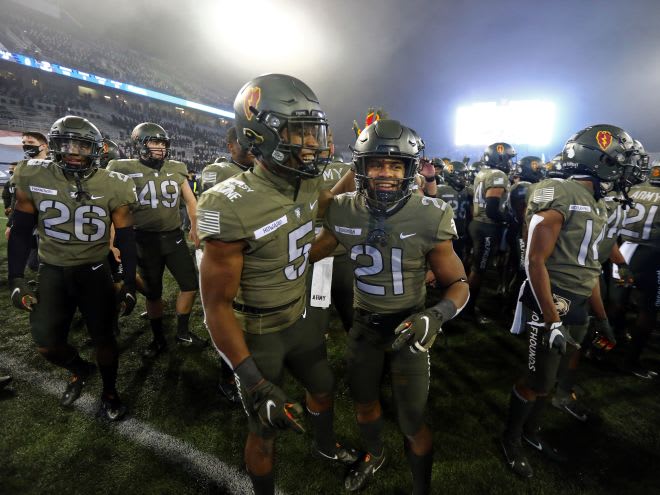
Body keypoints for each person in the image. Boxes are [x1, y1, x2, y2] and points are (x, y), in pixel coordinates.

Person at [197, 74, 357, 495]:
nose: (312, 144)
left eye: (313, 132)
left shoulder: (304, 180)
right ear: (259, 134)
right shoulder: (226, 203)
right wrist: (253, 380)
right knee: (264, 427)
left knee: (323, 388)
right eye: (298, 132)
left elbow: (318, 206)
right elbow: (214, 306)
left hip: (300, 316)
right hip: (257, 333)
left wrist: (361, 169)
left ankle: (324, 447)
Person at [310, 120, 469, 494]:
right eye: (376, 164)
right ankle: (375, 454)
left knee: (412, 421)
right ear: (360, 168)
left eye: (395, 165)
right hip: (363, 328)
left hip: (409, 330)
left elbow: (458, 284)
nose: (385, 173)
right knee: (364, 404)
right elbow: (306, 254)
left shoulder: (431, 213)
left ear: (409, 170)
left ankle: (421, 487)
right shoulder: (341, 209)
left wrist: (435, 314)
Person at [502, 124, 635, 478]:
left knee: (557, 377)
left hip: (575, 303)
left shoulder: (597, 205)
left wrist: (601, 316)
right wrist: (551, 319)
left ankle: (532, 433)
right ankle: (511, 440)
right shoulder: (557, 191)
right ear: (599, 160)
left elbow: (588, 267)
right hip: (550, 303)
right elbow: (534, 261)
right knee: (535, 380)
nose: (625, 171)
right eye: (619, 162)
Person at [8, 115, 138, 420]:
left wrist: (128, 282)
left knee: (105, 338)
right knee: (46, 345)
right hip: (51, 269)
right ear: (53, 146)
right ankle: (79, 367)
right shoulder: (32, 173)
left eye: (81, 145)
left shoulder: (113, 184)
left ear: (95, 149)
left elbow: (128, 239)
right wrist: (16, 276)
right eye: (66, 144)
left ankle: (109, 391)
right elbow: (22, 230)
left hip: (94, 270)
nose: (74, 151)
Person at [107, 122, 206, 358]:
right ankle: (158, 338)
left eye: (162, 143)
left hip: (174, 237)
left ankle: (182, 330)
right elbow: (114, 209)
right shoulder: (121, 168)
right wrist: (111, 242)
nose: (160, 148)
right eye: (154, 142)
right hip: (143, 239)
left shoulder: (176, 167)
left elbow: (191, 201)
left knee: (190, 285)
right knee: (153, 293)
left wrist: (195, 226)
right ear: (139, 144)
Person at [464, 143, 516, 321]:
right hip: (487, 226)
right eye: (508, 158)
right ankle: (467, 309)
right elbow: (493, 209)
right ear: (500, 157)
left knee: (475, 266)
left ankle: (465, 303)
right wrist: (508, 219)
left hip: (477, 223)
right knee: (479, 270)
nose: (510, 162)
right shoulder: (497, 175)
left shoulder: (483, 173)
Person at [200, 126, 254, 191]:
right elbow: (207, 198)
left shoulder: (262, 171)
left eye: (254, 143)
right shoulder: (216, 171)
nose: (252, 147)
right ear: (231, 146)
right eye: (245, 143)